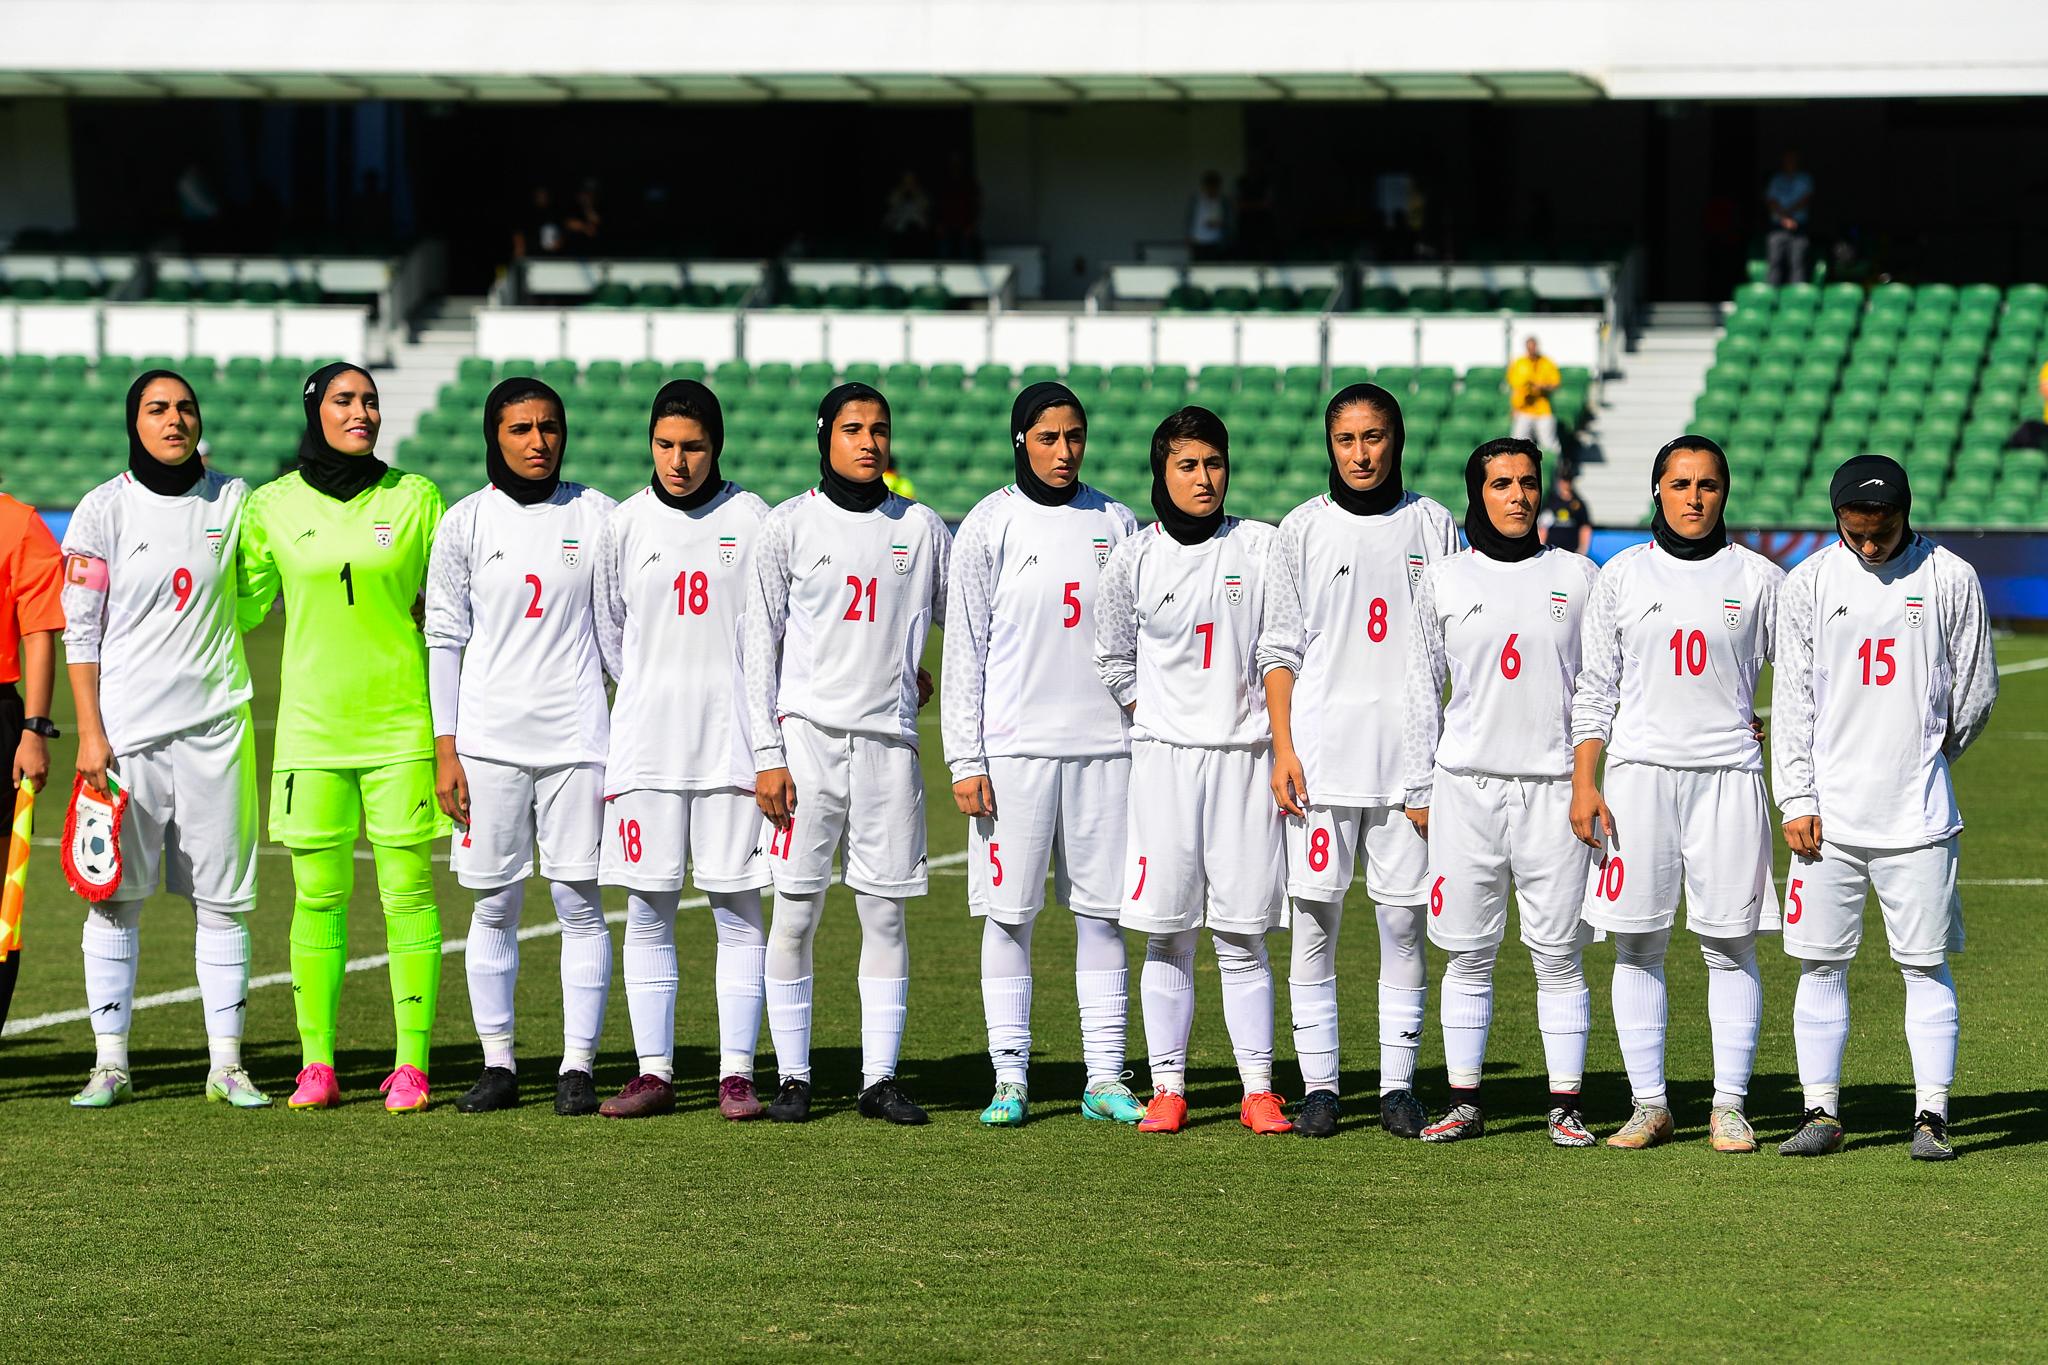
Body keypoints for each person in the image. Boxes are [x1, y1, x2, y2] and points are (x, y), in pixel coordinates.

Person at [1772, 455, 1997, 1161]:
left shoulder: (1951, 577)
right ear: (1836, 518)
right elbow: (1794, 702)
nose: (1870, 546)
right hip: (1827, 820)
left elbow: (1976, 692)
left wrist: (1924, 759)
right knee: (1820, 963)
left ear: (1906, 514)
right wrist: (1798, 796)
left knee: (1924, 965)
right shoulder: (1807, 582)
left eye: (1883, 531)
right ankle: (1821, 1110)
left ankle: (1931, 1116)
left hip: (1919, 818)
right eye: (1856, 532)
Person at [238, 363, 448, 1113]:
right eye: (344, 401)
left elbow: (449, 608)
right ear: (313, 412)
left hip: (400, 725)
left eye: (370, 401)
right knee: (317, 895)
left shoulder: (416, 497)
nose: (361, 412)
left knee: (408, 890)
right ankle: (316, 1064)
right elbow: (237, 608)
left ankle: (412, 1064)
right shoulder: (270, 506)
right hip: (310, 730)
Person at [1568, 436, 1785, 1153]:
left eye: (1709, 485)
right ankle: (1650, 1104)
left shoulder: (1760, 578)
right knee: (1637, 944)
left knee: (1730, 943)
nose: (1695, 497)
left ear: (1726, 492)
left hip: (1728, 778)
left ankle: (1729, 1105)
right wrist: (1584, 782)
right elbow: (1594, 688)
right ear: (1657, 488)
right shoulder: (1621, 575)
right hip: (1638, 781)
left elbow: (1806, 680)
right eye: (1681, 483)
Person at [745, 384, 951, 1125]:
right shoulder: (789, 526)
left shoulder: (923, 528)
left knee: (885, 918)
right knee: (795, 914)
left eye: (880, 429)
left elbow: (958, 626)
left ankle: (878, 1078)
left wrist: (911, 674)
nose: (869, 442)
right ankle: (795, 1076)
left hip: (890, 747)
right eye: (854, 428)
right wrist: (767, 753)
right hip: (805, 745)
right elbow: (755, 648)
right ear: (825, 434)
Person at [1258, 384, 1459, 1139]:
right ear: (1329, 445)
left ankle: (1398, 1085)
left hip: (1411, 763)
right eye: (1347, 440)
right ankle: (1320, 1086)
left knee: (1403, 924)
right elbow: (1277, 648)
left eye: (1374, 437)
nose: (1362, 453)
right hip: (1321, 760)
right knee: (1315, 921)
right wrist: (1283, 747)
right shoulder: (1302, 529)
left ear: (1395, 439)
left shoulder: (1432, 523)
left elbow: (1457, 644)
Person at [58, 372, 263, 1109]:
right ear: (133, 422)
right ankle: (110, 1062)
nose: (174, 420)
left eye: (185, 408)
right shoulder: (102, 509)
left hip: (218, 731)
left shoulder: (233, 500)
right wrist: (89, 732)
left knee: (223, 902)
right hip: (127, 739)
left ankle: (228, 1064)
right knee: (114, 900)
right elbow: (80, 630)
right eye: (157, 409)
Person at [942, 383, 1144, 1128]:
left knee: (1102, 915)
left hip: (1104, 750)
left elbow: (1133, 641)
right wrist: (966, 757)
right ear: (1020, 439)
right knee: (1010, 916)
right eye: (1050, 437)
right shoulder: (988, 525)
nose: (1065, 451)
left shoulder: (1116, 520)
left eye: (1076, 436)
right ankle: (1011, 1075)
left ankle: (1105, 1076)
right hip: (1015, 754)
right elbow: (963, 646)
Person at [1095, 407, 1290, 1137]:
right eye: (1187, 464)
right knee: (1167, 931)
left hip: (1244, 761)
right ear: (1161, 473)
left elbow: (1280, 646)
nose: (1204, 478)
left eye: (1214, 462)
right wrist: (1157, 711)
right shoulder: (1134, 559)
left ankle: (1259, 1089)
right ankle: (1169, 1086)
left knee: (1242, 934)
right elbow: (1111, 657)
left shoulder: (1263, 547)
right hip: (1163, 766)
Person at [1402, 438, 1601, 1146]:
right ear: (1476, 492)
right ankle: (1463, 1101)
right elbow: (1420, 686)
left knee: (1558, 953)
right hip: (1464, 789)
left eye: (1526, 482)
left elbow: (1605, 686)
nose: (1517, 495)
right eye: (1500, 484)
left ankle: (1566, 1103)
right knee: (1468, 951)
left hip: (1556, 790)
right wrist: (1417, 786)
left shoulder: (1579, 576)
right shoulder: (1446, 578)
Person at [425, 378, 615, 1117]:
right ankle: (498, 1062)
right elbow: (444, 638)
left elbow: (627, 630)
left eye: (550, 427)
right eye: (521, 429)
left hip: (577, 742)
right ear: (492, 436)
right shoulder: (465, 523)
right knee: (495, 903)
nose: (538, 441)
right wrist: (448, 747)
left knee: (578, 901)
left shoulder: (598, 515)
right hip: (488, 746)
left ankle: (577, 1065)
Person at [592, 380, 775, 1120]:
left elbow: (773, 627)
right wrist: (649, 691)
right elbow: (612, 632)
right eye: (665, 445)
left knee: (737, 906)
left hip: (732, 747)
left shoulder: (754, 518)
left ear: (716, 446)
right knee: (649, 906)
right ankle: (655, 1070)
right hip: (646, 745)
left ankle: (736, 1072)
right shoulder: (624, 524)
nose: (678, 460)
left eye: (693, 446)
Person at [0, 479, 65, 1033]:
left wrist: (34, 729)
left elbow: (40, 632)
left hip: (0, 716)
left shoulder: (19, 525)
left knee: (1, 909)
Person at [1764, 151, 1814, 286]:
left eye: (1793, 160)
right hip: (1777, 227)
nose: (1790, 163)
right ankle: (1772, 297)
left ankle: (1796, 299)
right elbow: (1771, 201)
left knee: (1798, 262)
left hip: (1798, 227)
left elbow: (1805, 199)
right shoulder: (1776, 179)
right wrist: (1784, 217)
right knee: (1774, 262)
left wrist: (1789, 215)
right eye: (1787, 160)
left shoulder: (1805, 179)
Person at [1507, 336, 1562, 451]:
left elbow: (1556, 384)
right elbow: (1514, 387)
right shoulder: (1519, 363)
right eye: (1529, 348)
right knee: (1517, 444)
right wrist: (1514, 407)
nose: (1532, 350)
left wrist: (1543, 386)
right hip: (1523, 408)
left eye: (1534, 347)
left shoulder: (1547, 362)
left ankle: (1554, 466)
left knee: (1549, 444)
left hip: (1542, 408)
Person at [1538, 466, 1594, 555]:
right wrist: (1541, 547)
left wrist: (1583, 549)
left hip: (1572, 552)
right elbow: (1543, 527)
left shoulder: (1578, 503)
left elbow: (1585, 527)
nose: (1565, 484)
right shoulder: (1551, 502)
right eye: (1563, 480)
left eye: (1568, 480)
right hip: (1552, 551)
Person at [1187, 172, 1231, 260]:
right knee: (1198, 269)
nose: (1211, 190)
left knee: (1215, 269)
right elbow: (1189, 219)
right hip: (1198, 241)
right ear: (1204, 186)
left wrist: (1221, 224)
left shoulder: (1223, 201)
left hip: (1217, 242)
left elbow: (1230, 220)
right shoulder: (1196, 199)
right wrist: (1188, 237)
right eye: (1209, 187)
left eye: (1214, 187)